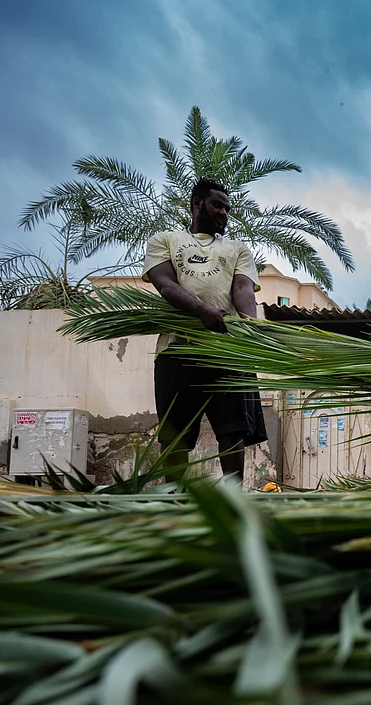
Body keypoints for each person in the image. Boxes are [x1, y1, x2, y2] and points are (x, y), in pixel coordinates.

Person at [143, 177, 264, 481]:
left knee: (233, 429)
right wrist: (202, 311)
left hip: (227, 350)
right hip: (178, 349)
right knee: (175, 435)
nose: (224, 212)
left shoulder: (237, 249)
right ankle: (174, 500)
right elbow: (165, 283)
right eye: (217, 205)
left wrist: (249, 324)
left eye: (227, 208)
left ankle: (232, 501)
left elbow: (243, 289)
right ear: (197, 204)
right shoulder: (166, 241)